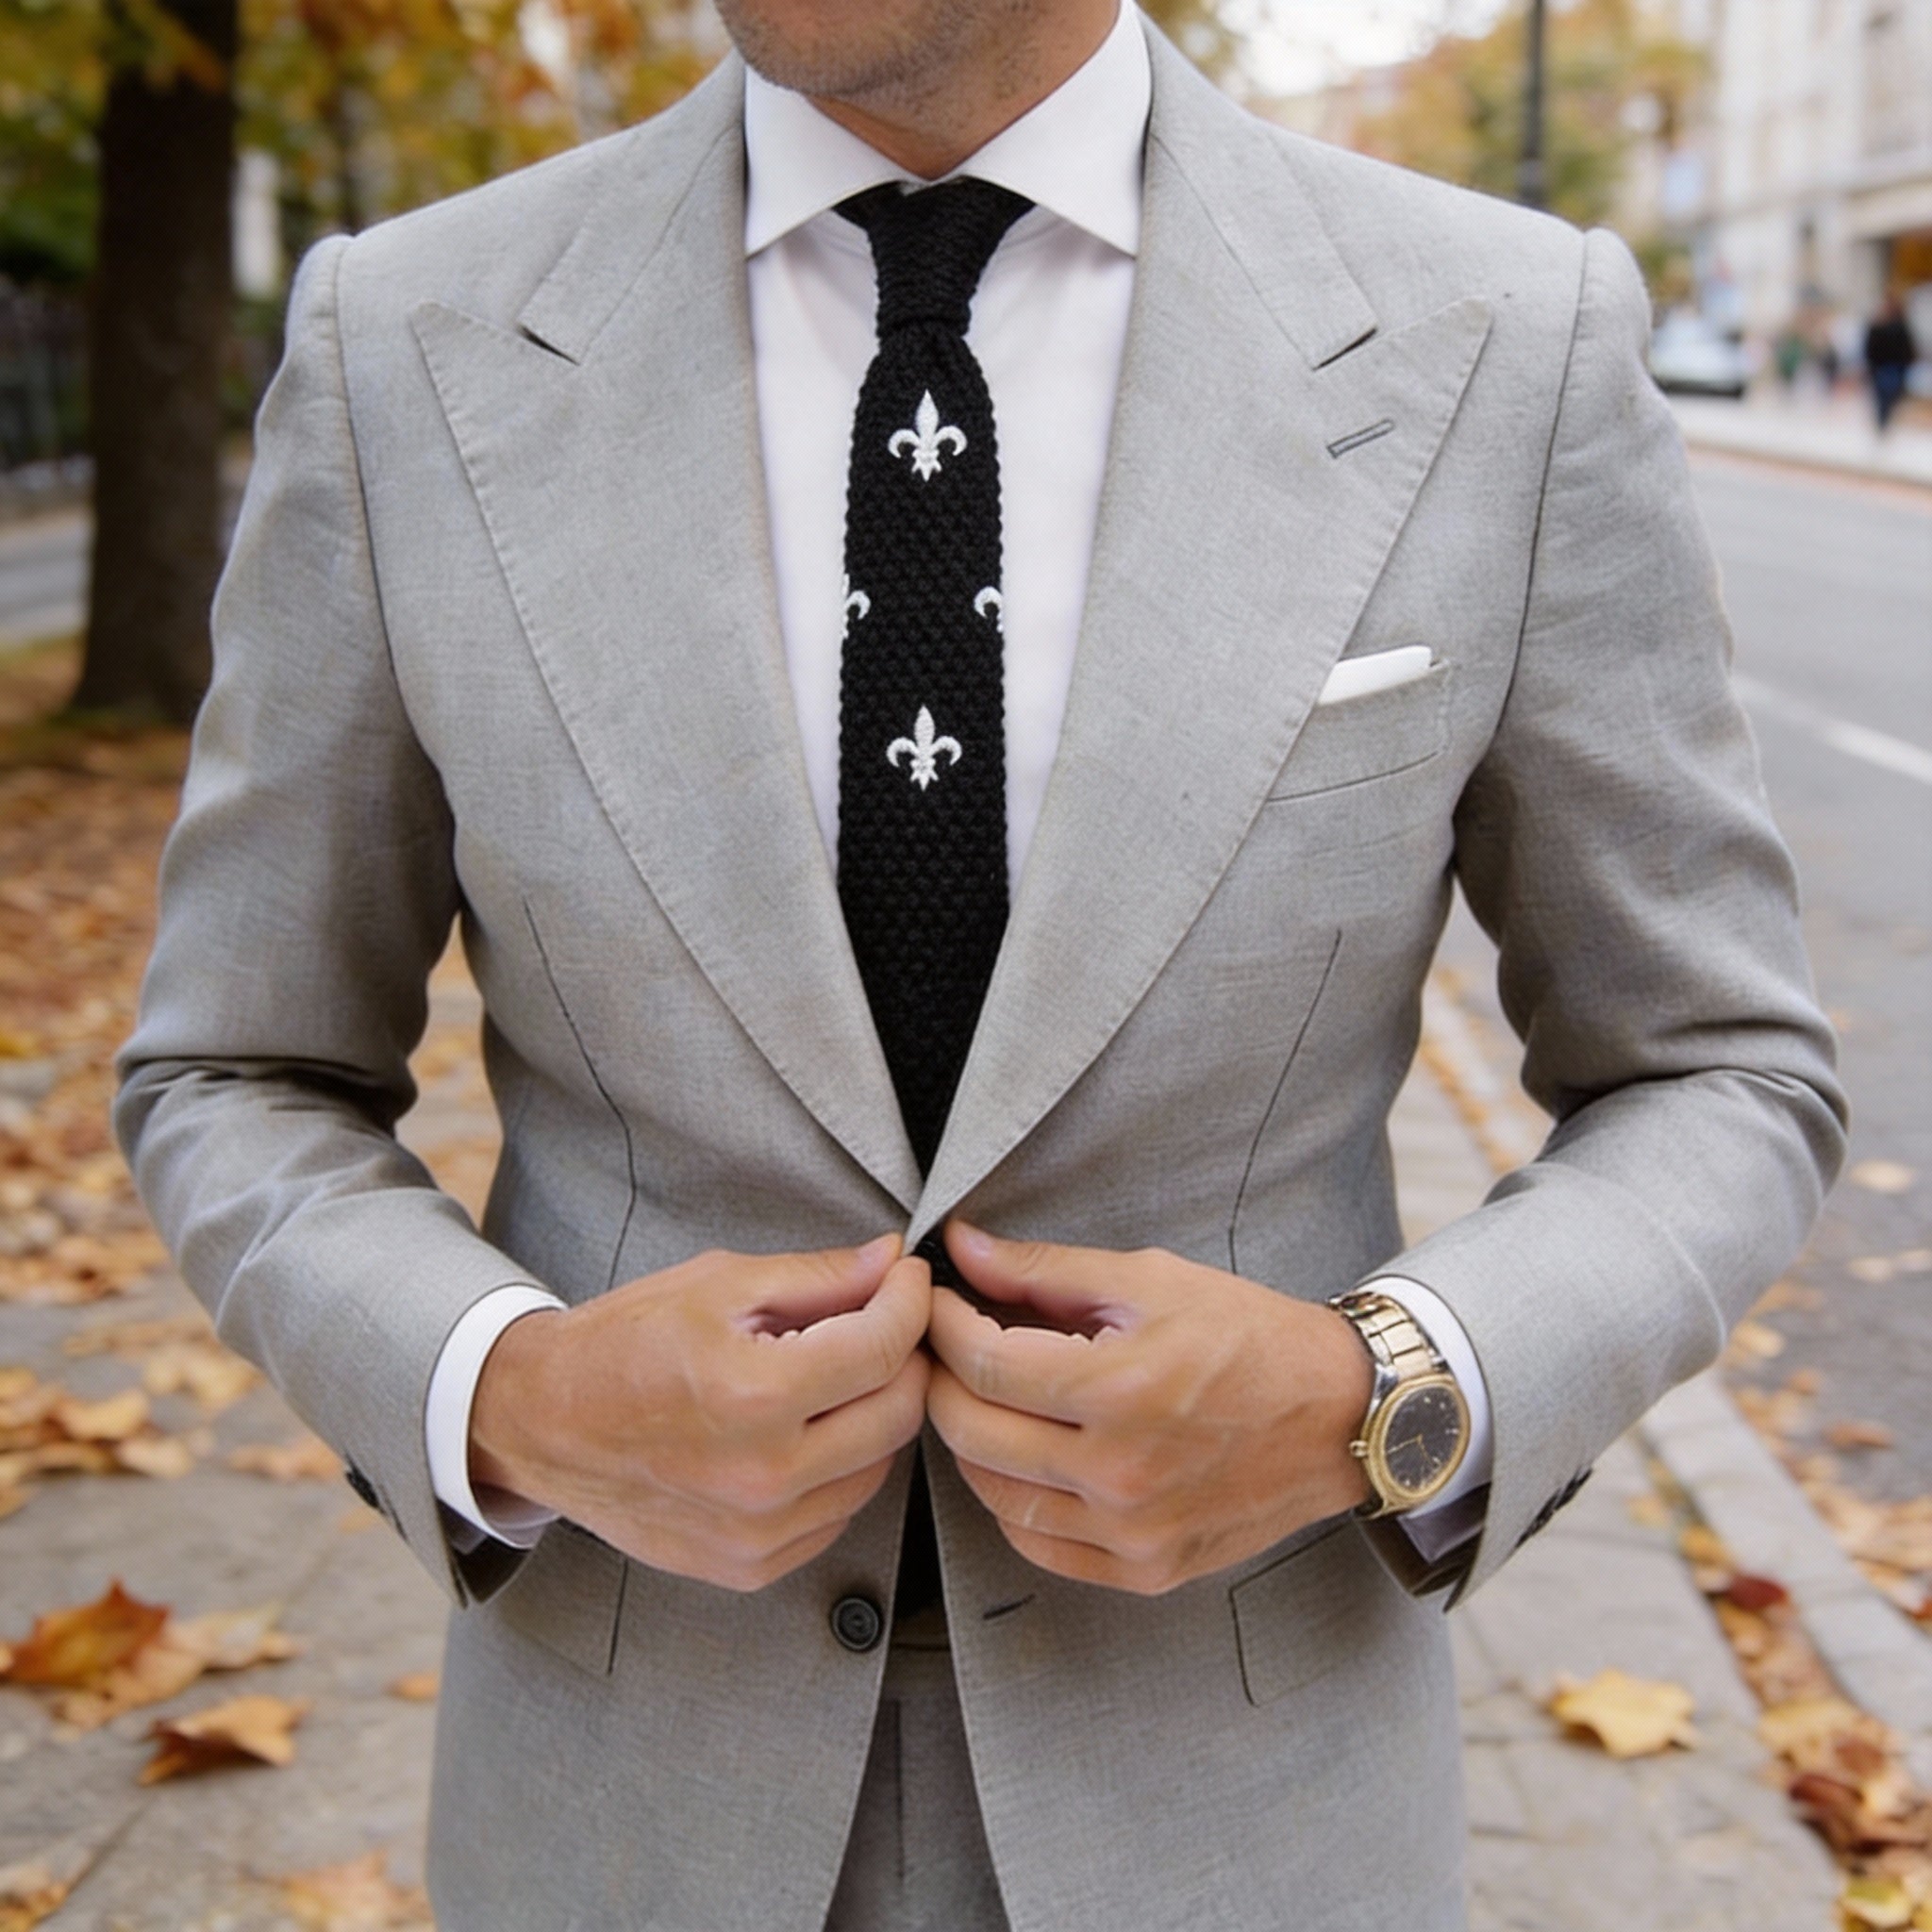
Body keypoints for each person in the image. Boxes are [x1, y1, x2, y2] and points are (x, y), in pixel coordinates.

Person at [116, 3, 1845, 1927]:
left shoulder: (1504, 340)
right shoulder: (405, 344)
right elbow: (235, 1066)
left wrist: (1382, 1395)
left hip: (1247, 1806)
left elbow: (1716, 1068)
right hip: (628, 1807)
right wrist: (505, 1392)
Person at [1865, 291, 1919, 431]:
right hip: (1884, 367)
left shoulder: (1898, 326)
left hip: (1893, 367)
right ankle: (1882, 423)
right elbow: (1871, 348)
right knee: (1884, 396)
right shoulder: (1881, 325)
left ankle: (1884, 422)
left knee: (1889, 396)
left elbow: (1907, 348)